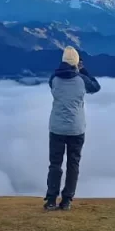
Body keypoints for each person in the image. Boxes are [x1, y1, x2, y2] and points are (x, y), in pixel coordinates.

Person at [45, 46, 101, 211]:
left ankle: (50, 199)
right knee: (73, 163)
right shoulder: (82, 80)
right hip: (76, 128)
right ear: (77, 63)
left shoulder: (54, 79)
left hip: (56, 128)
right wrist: (83, 71)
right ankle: (67, 200)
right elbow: (96, 87)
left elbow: (53, 83)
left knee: (55, 164)